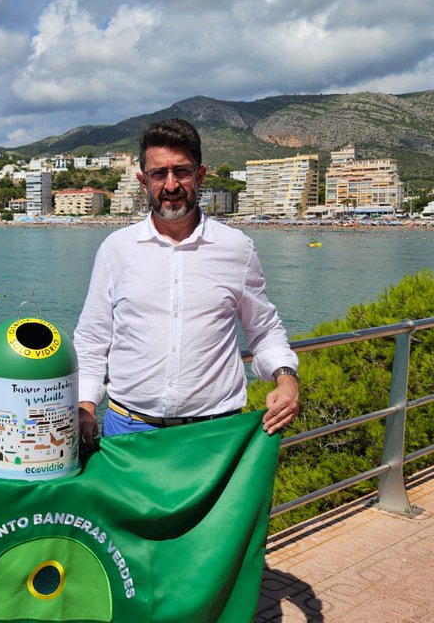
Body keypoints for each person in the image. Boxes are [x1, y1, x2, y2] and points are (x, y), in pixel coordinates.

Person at [74, 118, 299, 449]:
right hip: (128, 432)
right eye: (158, 174)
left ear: (200, 175)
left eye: (181, 171)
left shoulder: (237, 248)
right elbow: (93, 339)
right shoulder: (115, 250)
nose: (170, 185)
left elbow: (264, 330)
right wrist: (84, 405)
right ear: (142, 180)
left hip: (215, 434)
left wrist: (287, 379)